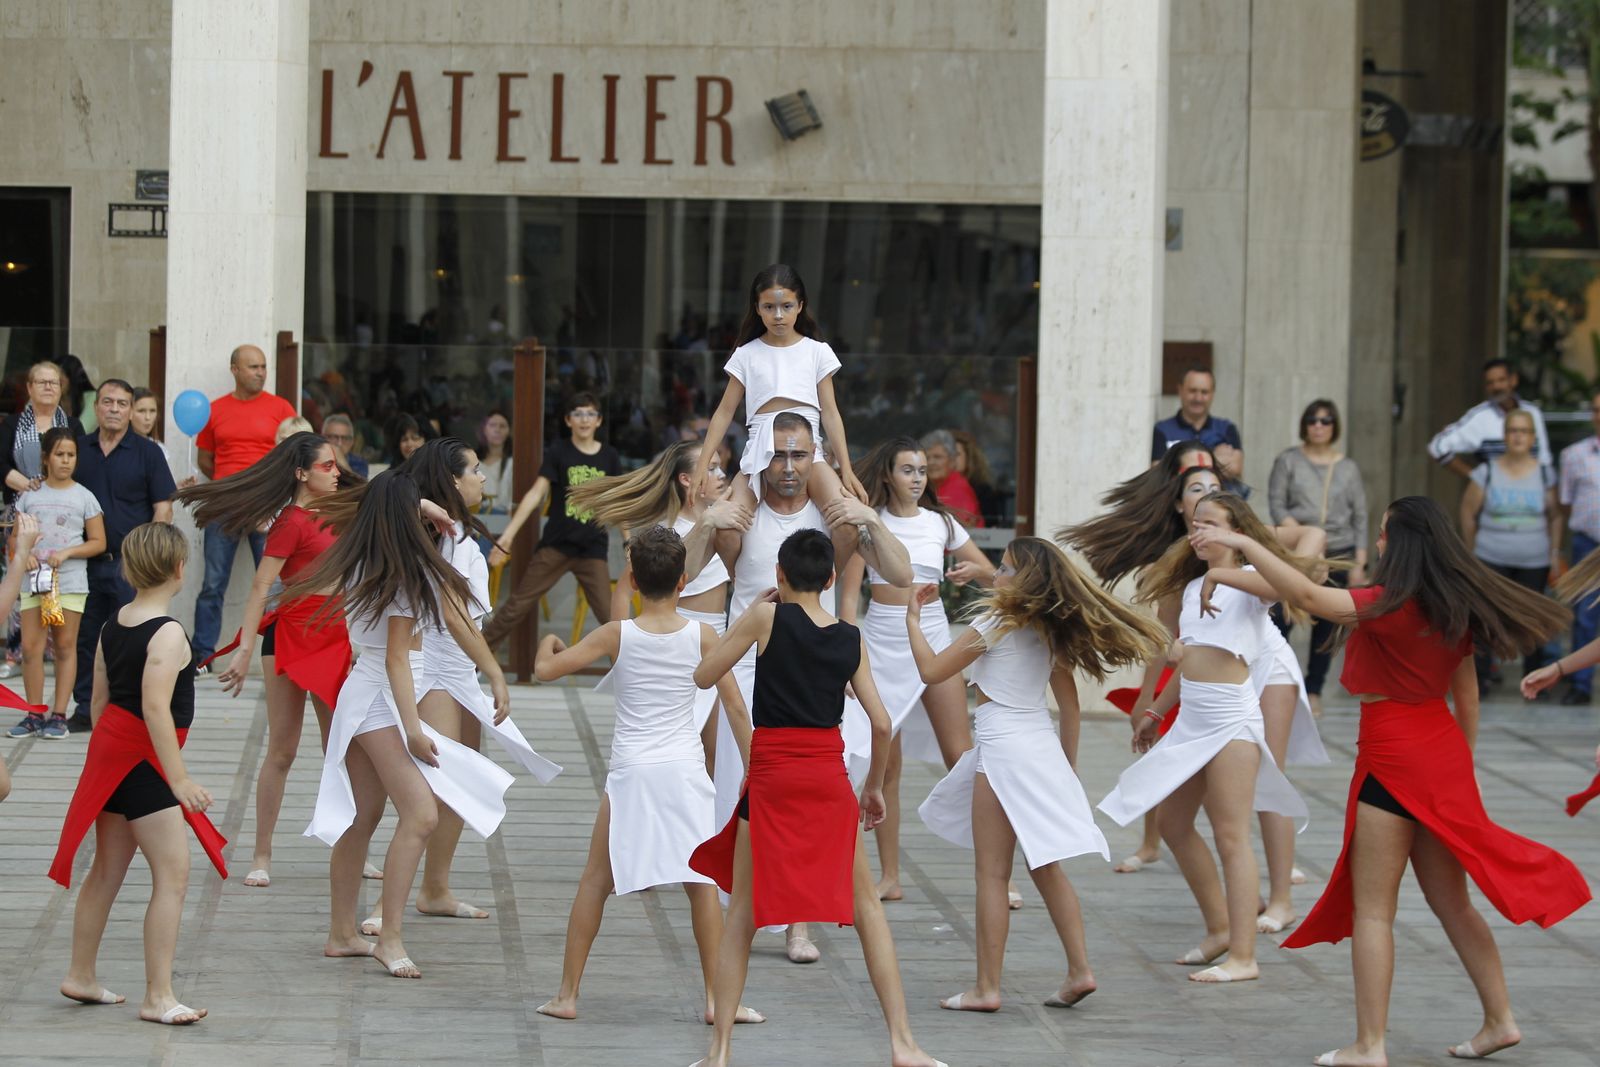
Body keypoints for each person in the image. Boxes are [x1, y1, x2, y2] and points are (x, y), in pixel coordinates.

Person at [1193, 497, 1589, 1065]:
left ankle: (1370, 1044)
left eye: (1383, 536)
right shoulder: (1453, 608)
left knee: (1374, 911)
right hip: (1439, 754)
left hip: (1392, 757)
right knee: (1453, 904)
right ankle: (1499, 1020)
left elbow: (1305, 596)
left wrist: (1245, 545)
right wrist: (1455, 771)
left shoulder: (1385, 605)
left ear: (1400, 545)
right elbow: (1467, 698)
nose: (1378, 545)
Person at [688, 529, 943, 1067]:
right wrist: (873, 786)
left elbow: (705, 674)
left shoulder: (766, 618)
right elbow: (879, 723)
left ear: (778, 576)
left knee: (742, 918)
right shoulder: (850, 637)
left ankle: (720, 1053)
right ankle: (903, 1044)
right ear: (831, 579)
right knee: (868, 908)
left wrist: (750, 617)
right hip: (828, 778)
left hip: (774, 776)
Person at [685, 410, 913, 965]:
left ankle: (796, 924)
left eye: (799, 455)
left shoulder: (831, 516)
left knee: (811, 797)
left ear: (816, 458)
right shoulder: (745, 515)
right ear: (762, 457)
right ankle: (739, 908)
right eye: (779, 455)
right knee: (739, 789)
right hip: (748, 661)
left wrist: (870, 521)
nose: (788, 467)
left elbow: (902, 575)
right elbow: (684, 574)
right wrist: (708, 521)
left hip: (812, 664)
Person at [911, 537, 1166, 1013]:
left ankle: (987, 988)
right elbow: (1068, 705)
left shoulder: (994, 622)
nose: (997, 575)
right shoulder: (1047, 627)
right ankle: (1080, 969)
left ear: (1024, 579)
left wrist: (911, 619)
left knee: (991, 873)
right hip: (1038, 744)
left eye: (1005, 569)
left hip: (1003, 749)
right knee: (1046, 865)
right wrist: (1065, 766)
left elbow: (930, 671)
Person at [293, 470, 514, 979]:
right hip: (382, 698)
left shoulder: (371, 555)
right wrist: (413, 727)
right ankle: (388, 937)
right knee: (421, 814)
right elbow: (396, 659)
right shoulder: (399, 570)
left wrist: (424, 509)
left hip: (364, 692)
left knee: (362, 816)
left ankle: (342, 934)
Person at [532, 525, 756, 1024]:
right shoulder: (703, 635)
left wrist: (546, 642)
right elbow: (737, 710)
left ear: (632, 580)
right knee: (700, 887)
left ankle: (567, 995)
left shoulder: (617, 634)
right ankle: (718, 1001)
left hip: (632, 772)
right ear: (685, 581)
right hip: (683, 771)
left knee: (595, 881)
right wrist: (754, 770)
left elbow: (546, 671)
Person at [1099, 492, 1315, 984]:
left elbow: (1289, 587)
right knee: (1174, 823)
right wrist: (1156, 707)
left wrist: (1231, 553)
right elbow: (1192, 656)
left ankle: (1244, 956)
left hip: (1232, 723)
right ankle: (1219, 929)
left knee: (1231, 835)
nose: (1199, 533)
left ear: (1235, 531)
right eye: (1196, 525)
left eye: (1211, 525)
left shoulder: (1252, 585)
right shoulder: (1196, 584)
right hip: (1193, 720)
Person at [359, 439, 561, 931]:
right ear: (451, 480)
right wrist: (494, 670)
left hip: (457, 669)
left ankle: (435, 887)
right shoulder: (428, 534)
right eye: (474, 470)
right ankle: (385, 910)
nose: (483, 478)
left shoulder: (459, 538)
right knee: (430, 790)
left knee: (458, 784)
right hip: (433, 671)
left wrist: (483, 671)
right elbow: (451, 613)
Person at [50, 521, 227, 1025]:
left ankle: (81, 974)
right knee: (173, 874)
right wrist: (178, 780)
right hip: (145, 763)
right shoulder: (168, 632)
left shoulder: (114, 623)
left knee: (106, 870)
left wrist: (114, 758)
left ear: (129, 568)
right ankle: (159, 996)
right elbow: (155, 709)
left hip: (115, 757)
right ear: (179, 569)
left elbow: (101, 700)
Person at [178, 433, 356, 888]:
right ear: (301, 473)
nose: (336, 472)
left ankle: (354, 848)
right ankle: (262, 854)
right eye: (327, 466)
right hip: (290, 635)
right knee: (282, 749)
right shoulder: (291, 522)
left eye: (336, 466)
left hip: (334, 636)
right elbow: (260, 587)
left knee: (341, 749)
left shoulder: (341, 511)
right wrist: (241, 651)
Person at [837, 436, 996, 902]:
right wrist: (847, 659)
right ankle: (889, 877)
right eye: (908, 470)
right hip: (883, 641)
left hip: (933, 637)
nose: (917, 478)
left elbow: (990, 571)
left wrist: (971, 573)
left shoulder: (941, 523)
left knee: (961, 756)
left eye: (923, 471)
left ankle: (993, 871)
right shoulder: (868, 524)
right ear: (888, 474)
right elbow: (850, 598)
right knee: (885, 765)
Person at [568, 438, 730, 761]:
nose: (722, 474)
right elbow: (625, 590)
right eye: (711, 469)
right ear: (686, 479)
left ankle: (703, 812)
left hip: (719, 640)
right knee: (679, 746)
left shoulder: (721, 521)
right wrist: (621, 646)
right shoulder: (666, 532)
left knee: (714, 753)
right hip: (679, 644)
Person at [688, 263, 865, 519]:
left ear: (800, 306)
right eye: (769, 307)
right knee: (725, 528)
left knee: (848, 520)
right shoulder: (746, 354)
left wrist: (846, 469)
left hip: (810, 452)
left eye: (787, 306)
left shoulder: (818, 351)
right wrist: (702, 466)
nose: (778, 315)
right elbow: (724, 413)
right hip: (758, 453)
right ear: (757, 309)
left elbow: (831, 413)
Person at [67, 380, 176, 734]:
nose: (114, 409)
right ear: (96, 407)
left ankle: (130, 709)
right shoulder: (78, 450)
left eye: (122, 403)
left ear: (131, 409)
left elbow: (163, 508)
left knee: (134, 637)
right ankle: (85, 707)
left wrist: (152, 560)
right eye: (108, 402)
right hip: (83, 563)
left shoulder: (148, 453)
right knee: (86, 638)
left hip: (130, 568)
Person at [483, 393, 621, 651]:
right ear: (568, 420)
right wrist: (507, 537)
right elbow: (536, 493)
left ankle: (633, 674)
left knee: (610, 618)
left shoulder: (609, 457)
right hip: (556, 545)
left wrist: (629, 541)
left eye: (590, 414)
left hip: (592, 548)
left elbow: (617, 502)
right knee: (517, 605)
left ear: (599, 421)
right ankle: (474, 660)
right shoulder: (559, 452)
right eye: (578, 414)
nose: (584, 419)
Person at [191, 344, 296, 666]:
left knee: (275, 583)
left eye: (263, 366)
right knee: (212, 582)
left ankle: (278, 652)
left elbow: (293, 456)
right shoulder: (215, 409)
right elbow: (205, 459)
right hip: (225, 504)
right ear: (234, 369)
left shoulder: (281, 408)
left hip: (267, 504)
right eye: (253, 367)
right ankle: (202, 657)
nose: (261, 373)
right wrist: (231, 484)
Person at [1269, 399, 1369, 714]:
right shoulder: (1288, 460)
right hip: (1296, 552)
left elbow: (1360, 515)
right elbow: (1277, 504)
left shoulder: (1348, 467)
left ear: (1334, 425)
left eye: (1326, 420)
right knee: (1282, 618)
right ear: (1304, 424)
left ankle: (1314, 690)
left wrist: (1360, 562)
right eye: (1313, 419)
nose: (1319, 426)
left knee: (1327, 625)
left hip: (1339, 552)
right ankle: (1278, 682)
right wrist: (1304, 539)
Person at [6, 428, 106, 738]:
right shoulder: (30, 496)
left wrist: (68, 553)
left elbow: (98, 541)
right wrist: (24, 556)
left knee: (65, 646)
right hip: (34, 581)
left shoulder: (84, 497)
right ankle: (34, 712)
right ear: (46, 458)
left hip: (71, 583)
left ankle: (59, 714)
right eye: (59, 454)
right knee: (31, 647)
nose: (65, 461)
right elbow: (12, 540)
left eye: (71, 455)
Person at [1459, 407, 1561, 695]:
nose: (1518, 436)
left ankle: (1535, 678)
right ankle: (1481, 679)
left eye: (1524, 431)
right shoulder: (1485, 472)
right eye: (1513, 431)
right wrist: (1472, 551)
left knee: (1532, 621)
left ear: (1533, 438)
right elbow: (1468, 513)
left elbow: (1555, 515)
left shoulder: (1544, 473)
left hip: (1534, 558)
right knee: (1486, 618)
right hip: (1492, 556)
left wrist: (1554, 551)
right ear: (1504, 436)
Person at [1430, 357, 1554, 479]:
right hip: (1495, 495)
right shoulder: (1479, 416)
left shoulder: (1533, 413)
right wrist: (1475, 478)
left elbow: (1544, 458)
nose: (1496, 387)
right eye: (1490, 382)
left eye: (1501, 380)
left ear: (1513, 380)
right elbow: (1438, 446)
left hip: (1531, 491)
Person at [1557, 389, 1600, 705]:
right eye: (1597, 409)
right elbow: (1564, 506)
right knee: (1585, 616)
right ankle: (1581, 684)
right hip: (1587, 543)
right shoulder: (1574, 455)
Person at [0, 360, 85, 504]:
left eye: (53, 383)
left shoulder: (73, 425)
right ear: (29, 388)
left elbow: (82, 465)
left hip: (65, 505)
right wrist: (27, 485)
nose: (48, 387)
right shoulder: (11, 424)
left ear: (60, 388)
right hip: (19, 506)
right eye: (41, 382)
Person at [1151, 368, 1246, 494]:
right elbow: (1160, 475)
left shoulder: (1226, 428)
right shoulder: (1162, 430)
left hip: (1219, 506)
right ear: (1180, 390)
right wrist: (1215, 458)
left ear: (1213, 394)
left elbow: (1235, 469)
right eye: (1192, 391)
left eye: (1204, 392)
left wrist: (1180, 464)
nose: (1198, 398)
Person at [920, 429, 982, 528]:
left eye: (937, 457)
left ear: (952, 461)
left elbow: (955, 529)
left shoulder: (959, 489)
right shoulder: (926, 486)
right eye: (927, 458)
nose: (931, 462)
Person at [950, 427, 1000, 525]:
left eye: (956, 454)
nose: (951, 459)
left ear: (969, 457)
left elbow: (991, 526)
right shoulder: (933, 488)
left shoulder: (982, 490)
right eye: (947, 454)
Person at [477, 410, 513, 512]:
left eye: (502, 426)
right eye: (492, 425)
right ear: (484, 429)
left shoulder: (513, 463)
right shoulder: (473, 461)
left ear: (509, 431)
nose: (497, 430)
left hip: (506, 517)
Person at [320, 413, 367, 478]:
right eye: (334, 437)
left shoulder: (359, 462)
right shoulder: (314, 462)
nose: (339, 443)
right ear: (323, 438)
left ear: (352, 442)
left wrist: (342, 461)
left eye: (345, 438)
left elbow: (359, 486)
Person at [129, 388, 168, 459]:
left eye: (152, 411)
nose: (148, 417)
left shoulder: (159, 448)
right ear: (129, 412)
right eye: (141, 411)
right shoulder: (115, 446)